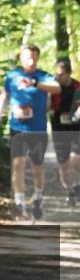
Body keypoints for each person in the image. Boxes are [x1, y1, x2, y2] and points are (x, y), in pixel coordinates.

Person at [0, 44, 61, 220]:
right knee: (18, 164)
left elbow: (57, 88)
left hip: (37, 128)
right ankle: (19, 203)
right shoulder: (12, 76)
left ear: (38, 58)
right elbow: (5, 95)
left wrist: (36, 83)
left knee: (37, 166)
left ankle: (38, 197)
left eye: (34, 57)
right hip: (18, 127)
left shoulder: (43, 76)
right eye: (27, 57)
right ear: (21, 58)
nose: (31, 60)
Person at [50, 58, 80, 208]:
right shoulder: (53, 88)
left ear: (68, 74)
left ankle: (78, 185)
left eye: (61, 75)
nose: (58, 77)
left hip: (76, 128)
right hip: (59, 129)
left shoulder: (77, 87)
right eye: (56, 74)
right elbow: (46, 105)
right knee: (63, 164)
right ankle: (70, 192)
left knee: (76, 159)